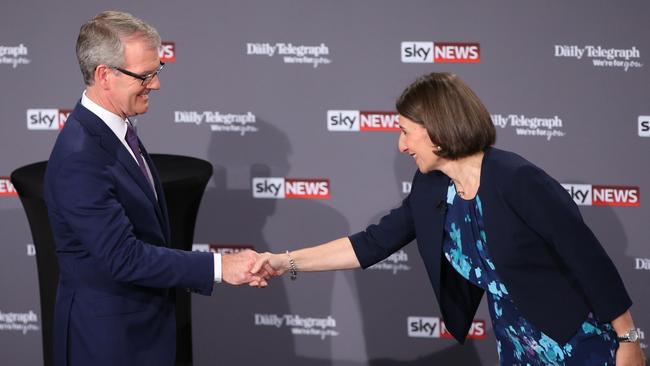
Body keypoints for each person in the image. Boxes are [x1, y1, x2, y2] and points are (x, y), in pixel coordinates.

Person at [252, 72, 646, 365]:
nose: (401, 145)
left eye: (406, 132)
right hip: (515, 344)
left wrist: (628, 339)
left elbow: (588, 260)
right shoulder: (430, 188)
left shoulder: (517, 180)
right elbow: (370, 244)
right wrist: (284, 262)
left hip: (577, 340)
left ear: (437, 131)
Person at [43, 11, 268, 366]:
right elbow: (123, 256)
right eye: (145, 75)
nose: (157, 84)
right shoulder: (81, 156)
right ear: (105, 75)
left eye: (157, 71)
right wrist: (219, 267)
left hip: (142, 331)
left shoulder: (116, 129)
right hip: (108, 345)